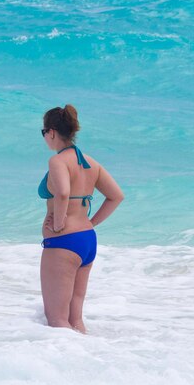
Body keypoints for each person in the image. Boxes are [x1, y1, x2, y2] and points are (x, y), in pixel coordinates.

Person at [38, 104, 124, 334]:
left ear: (52, 132)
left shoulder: (57, 162)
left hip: (63, 243)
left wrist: (58, 223)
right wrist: (91, 223)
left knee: (57, 320)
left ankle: (67, 369)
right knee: (75, 319)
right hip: (86, 240)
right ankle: (87, 360)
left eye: (43, 132)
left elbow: (63, 192)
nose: (44, 137)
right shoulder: (91, 162)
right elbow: (116, 196)